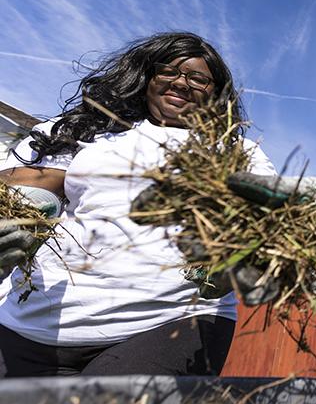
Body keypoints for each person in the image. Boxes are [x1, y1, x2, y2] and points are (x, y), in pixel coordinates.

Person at [0, 32, 277, 377]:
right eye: (169, 71)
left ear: (214, 92)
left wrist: (247, 246)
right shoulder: (90, 128)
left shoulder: (235, 151)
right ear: (147, 75)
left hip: (170, 319)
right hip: (35, 321)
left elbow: (267, 212)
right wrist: (27, 206)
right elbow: (32, 181)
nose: (182, 83)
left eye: (198, 78)